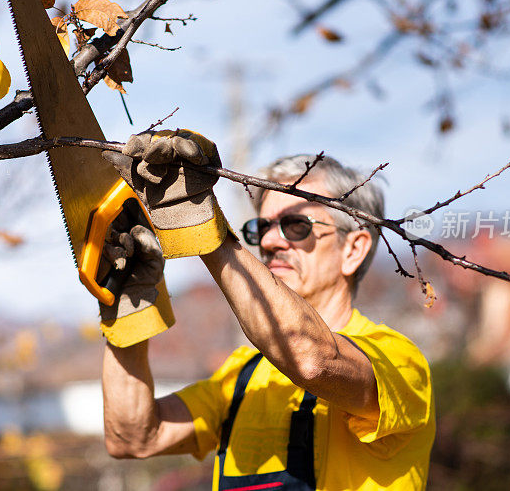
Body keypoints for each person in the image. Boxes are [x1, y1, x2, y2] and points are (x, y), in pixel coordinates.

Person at [100, 130, 435, 490]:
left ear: (353, 249)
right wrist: (129, 302)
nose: (272, 241)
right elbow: (132, 436)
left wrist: (200, 225)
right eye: (263, 227)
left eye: (296, 225)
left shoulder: (399, 361)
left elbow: (313, 360)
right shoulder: (242, 374)